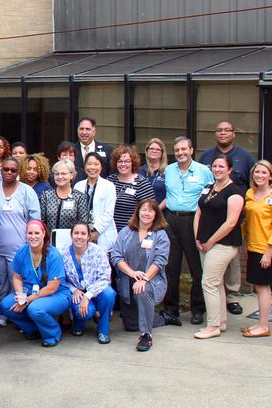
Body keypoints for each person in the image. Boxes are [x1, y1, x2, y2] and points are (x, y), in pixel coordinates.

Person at [198, 120, 255, 315]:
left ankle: (232, 297)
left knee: (230, 263)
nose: (223, 133)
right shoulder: (206, 156)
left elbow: (253, 185)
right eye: (219, 130)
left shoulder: (245, 158)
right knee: (213, 273)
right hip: (210, 219)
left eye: (227, 130)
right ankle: (218, 305)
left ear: (233, 134)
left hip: (231, 221)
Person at [161, 137, 214, 326]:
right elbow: (169, 196)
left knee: (196, 268)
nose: (180, 153)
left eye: (184, 149)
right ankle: (170, 310)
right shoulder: (168, 170)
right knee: (170, 267)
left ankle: (198, 309)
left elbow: (210, 196)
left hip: (193, 220)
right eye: (177, 150)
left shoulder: (204, 171)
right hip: (171, 220)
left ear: (191, 150)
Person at [193, 155, 245, 339]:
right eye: (214, 166)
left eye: (221, 166)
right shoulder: (209, 188)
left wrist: (211, 241)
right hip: (205, 243)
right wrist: (198, 237)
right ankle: (221, 322)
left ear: (229, 169)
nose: (217, 169)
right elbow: (199, 211)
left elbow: (231, 223)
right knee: (216, 283)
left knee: (209, 283)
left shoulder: (235, 192)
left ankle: (212, 326)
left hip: (223, 244)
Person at [110, 200, 170, 352]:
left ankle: (146, 336)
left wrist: (143, 279)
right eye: (143, 210)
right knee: (130, 326)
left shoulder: (160, 235)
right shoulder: (126, 232)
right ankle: (162, 318)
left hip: (150, 280)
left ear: (156, 214)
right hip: (127, 280)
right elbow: (116, 257)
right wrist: (132, 273)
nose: (146, 213)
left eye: (150, 211)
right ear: (137, 212)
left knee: (143, 291)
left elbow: (160, 260)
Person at [0, 220, 70, 347]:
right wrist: (21, 296)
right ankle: (33, 329)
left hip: (56, 294)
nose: (33, 236)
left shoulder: (53, 255)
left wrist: (28, 300)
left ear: (43, 234)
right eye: (30, 233)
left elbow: (51, 288)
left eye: (37, 233)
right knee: (5, 306)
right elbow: (17, 276)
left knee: (35, 309)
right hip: (30, 292)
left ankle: (52, 334)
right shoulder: (22, 251)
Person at [241, 161, 272, 337]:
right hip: (252, 246)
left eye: (263, 172)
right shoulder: (250, 194)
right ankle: (260, 323)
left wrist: (268, 253)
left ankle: (263, 325)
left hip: (266, 249)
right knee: (258, 286)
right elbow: (247, 222)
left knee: (262, 287)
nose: (259, 175)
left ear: (271, 176)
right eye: (256, 172)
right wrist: (245, 244)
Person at [0, 157, 41, 326]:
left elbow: (35, 220)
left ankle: (17, 315)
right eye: (6, 169)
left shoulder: (27, 192)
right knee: (0, 282)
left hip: (20, 248)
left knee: (18, 282)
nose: (9, 173)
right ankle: (1, 313)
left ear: (18, 172)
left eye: (13, 170)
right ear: (1, 170)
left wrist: (33, 243)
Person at [60, 223, 115, 343]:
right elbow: (61, 279)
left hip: (97, 290)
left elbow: (105, 278)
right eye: (76, 233)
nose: (79, 236)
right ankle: (79, 321)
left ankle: (103, 329)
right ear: (71, 235)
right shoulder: (63, 253)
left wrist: (88, 295)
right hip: (77, 292)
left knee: (109, 294)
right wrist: (74, 290)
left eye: (83, 233)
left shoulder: (97, 251)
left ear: (89, 236)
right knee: (83, 313)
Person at [39, 160, 90, 249]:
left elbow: (83, 223)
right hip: (48, 244)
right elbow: (41, 221)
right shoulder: (46, 195)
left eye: (63, 174)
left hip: (72, 244)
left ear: (72, 175)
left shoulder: (80, 197)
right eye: (56, 174)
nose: (60, 177)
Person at [74, 152, 117, 252]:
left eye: (96, 164)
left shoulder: (109, 186)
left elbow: (108, 213)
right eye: (89, 164)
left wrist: (96, 231)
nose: (92, 167)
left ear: (101, 167)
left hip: (102, 234)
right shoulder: (78, 186)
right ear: (84, 166)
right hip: (82, 233)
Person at [107, 145, 155, 232]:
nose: (123, 164)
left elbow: (150, 211)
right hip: (108, 233)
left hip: (131, 232)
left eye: (127, 161)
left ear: (133, 163)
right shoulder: (109, 180)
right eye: (120, 161)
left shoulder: (142, 183)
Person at [139, 138, 168, 205]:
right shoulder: (139, 171)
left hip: (161, 212)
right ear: (147, 151)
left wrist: (157, 210)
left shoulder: (168, 171)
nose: (154, 151)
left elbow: (171, 195)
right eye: (151, 148)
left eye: (158, 149)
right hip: (142, 213)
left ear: (162, 153)